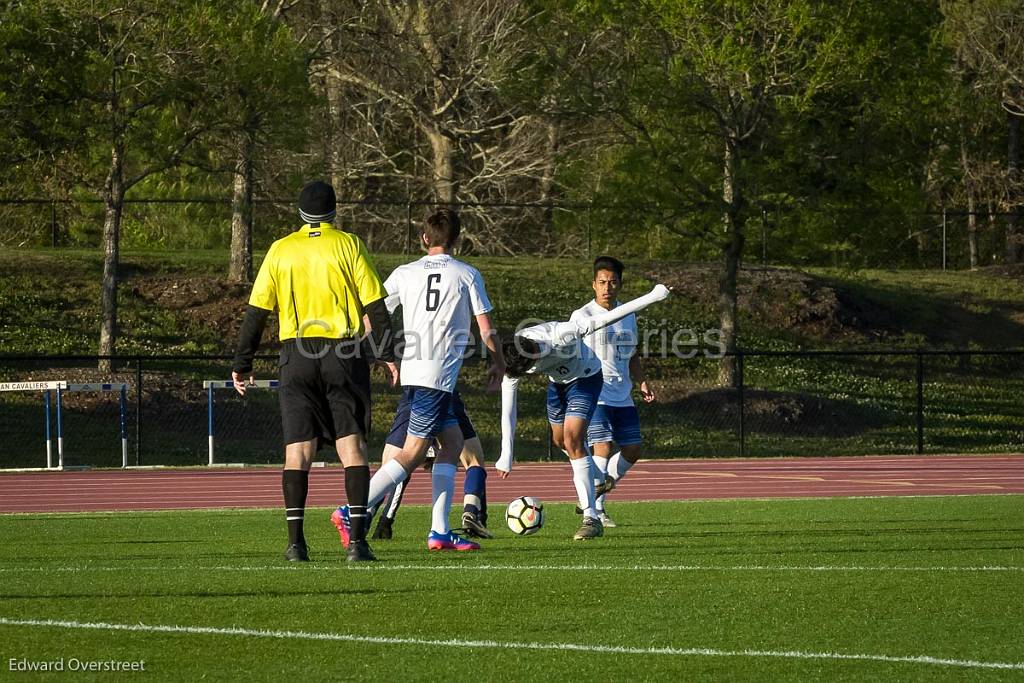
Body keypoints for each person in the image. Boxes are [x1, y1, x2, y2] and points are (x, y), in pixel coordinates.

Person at [232, 180, 397, 564]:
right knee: (351, 446)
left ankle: (295, 545)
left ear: (300, 213)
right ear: (334, 211)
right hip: (342, 352)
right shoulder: (348, 243)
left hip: (296, 355)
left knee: (297, 451)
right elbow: (376, 305)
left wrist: (243, 362)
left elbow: (256, 313)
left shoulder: (281, 250)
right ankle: (357, 544)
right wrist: (387, 352)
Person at [332, 208, 504, 552]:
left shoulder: (404, 273)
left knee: (453, 443)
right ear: (457, 239)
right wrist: (498, 360)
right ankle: (352, 509)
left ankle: (439, 531)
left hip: (414, 372)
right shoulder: (467, 274)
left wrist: (367, 350)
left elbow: (372, 316)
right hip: (437, 377)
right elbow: (485, 327)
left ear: (424, 238)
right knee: (412, 453)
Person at [497, 283, 670, 540]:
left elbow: (610, 316)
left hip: (587, 378)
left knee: (573, 438)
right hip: (558, 384)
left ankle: (591, 516)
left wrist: (654, 296)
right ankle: (598, 477)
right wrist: (506, 454)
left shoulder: (563, 334)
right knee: (559, 440)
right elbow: (508, 408)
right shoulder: (514, 363)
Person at [569, 257, 655, 527]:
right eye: (602, 282)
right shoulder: (583, 316)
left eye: (613, 282)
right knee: (602, 447)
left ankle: (596, 490)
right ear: (593, 284)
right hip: (595, 392)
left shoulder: (627, 314)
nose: (608, 287)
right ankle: (597, 511)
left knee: (633, 450)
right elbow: (569, 354)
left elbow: (632, 355)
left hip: (623, 394)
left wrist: (641, 381)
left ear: (620, 284)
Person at [369, 388, 493, 541]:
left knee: (398, 462)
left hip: (414, 393)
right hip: (440, 393)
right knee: (470, 459)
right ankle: (470, 513)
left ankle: (361, 515)